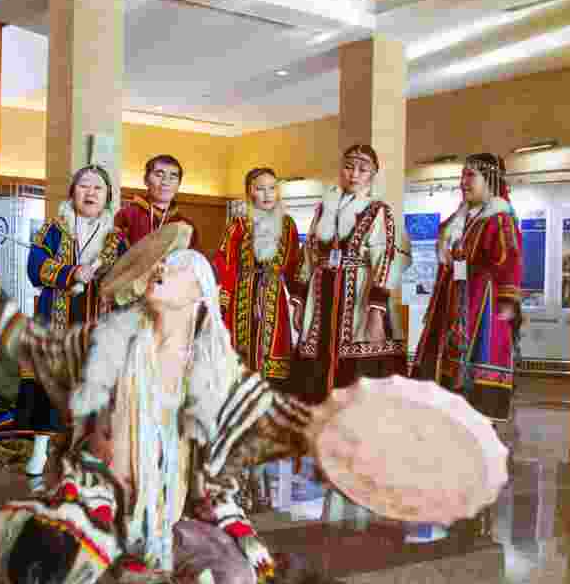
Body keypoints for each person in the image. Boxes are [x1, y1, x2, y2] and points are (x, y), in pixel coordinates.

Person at [0, 227, 347, 584]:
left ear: (200, 293)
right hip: (98, 502)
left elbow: (259, 426)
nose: (161, 268)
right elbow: (44, 348)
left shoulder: (217, 372)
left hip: (167, 519)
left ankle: (137, 561)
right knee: (50, 582)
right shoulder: (107, 340)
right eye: (160, 264)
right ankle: (20, 544)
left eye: (176, 268)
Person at [0, 165, 129, 492]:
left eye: (98, 189)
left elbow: (125, 278)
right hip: (56, 320)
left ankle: (89, 452)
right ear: (72, 193)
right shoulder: (54, 228)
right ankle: (39, 449)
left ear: (107, 198)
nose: (90, 193)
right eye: (84, 187)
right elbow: (35, 267)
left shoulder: (116, 239)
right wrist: (73, 273)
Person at [291, 145, 412, 404]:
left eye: (362, 169)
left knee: (359, 374)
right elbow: (308, 254)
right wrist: (299, 301)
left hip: (358, 298)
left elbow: (388, 258)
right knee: (315, 365)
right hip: (320, 298)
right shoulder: (323, 210)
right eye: (348, 166)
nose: (354, 174)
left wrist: (376, 311)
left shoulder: (379, 210)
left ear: (372, 174)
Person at [412, 153, 523, 423]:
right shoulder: (461, 220)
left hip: (480, 305)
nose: (463, 182)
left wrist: (508, 301)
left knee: (472, 363)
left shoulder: (499, 218)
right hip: (453, 299)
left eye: (470, 176)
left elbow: (509, 260)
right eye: (462, 175)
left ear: (490, 180)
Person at [212, 167, 305, 386]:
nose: (267, 194)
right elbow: (225, 263)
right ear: (249, 192)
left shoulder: (288, 224)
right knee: (239, 363)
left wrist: (299, 301)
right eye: (260, 189)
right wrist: (223, 300)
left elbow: (292, 265)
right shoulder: (239, 225)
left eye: (272, 188)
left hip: (274, 295)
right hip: (242, 296)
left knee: (274, 359)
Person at [114, 154, 201, 251]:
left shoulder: (186, 226)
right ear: (146, 180)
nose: (165, 182)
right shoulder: (126, 215)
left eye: (172, 177)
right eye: (159, 175)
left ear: (179, 184)